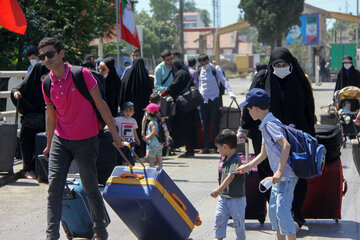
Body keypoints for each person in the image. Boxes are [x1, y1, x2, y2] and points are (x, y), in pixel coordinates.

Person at [38, 37, 121, 240]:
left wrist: (115, 134)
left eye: (50, 54)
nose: (46, 59)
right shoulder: (47, 82)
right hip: (61, 139)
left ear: (61, 53)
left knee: (91, 187)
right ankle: (51, 236)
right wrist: (49, 144)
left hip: (87, 139)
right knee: (54, 189)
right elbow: (51, 116)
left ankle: (100, 232)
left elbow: (101, 104)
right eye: (43, 56)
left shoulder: (81, 74)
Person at [239, 47, 314, 229]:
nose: (281, 67)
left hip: (294, 138)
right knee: (268, 173)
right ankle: (279, 214)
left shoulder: (299, 79)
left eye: (284, 64)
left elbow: (309, 107)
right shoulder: (262, 78)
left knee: (297, 174)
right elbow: (250, 104)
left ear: (290, 64)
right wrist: (243, 127)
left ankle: (295, 215)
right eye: (277, 65)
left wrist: (311, 133)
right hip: (266, 135)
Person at [237, 88, 297, 240]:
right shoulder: (265, 125)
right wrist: (247, 166)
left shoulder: (271, 125)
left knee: (282, 212)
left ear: (255, 109)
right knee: (275, 211)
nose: (247, 112)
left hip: (286, 176)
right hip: (278, 178)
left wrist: (279, 171)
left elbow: (286, 145)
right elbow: (263, 154)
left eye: (248, 109)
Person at [11, 62, 49, 179]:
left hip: (47, 119)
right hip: (30, 120)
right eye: (44, 74)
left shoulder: (51, 83)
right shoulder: (31, 83)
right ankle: (28, 168)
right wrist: (16, 94)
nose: (46, 76)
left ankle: (41, 169)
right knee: (27, 142)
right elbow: (17, 90)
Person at [197, 53, 236, 154]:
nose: (204, 65)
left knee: (214, 124)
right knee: (204, 125)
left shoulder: (215, 69)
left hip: (214, 100)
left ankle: (216, 146)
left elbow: (224, 81)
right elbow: (200, 84)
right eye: (202, 64)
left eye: (205, 63)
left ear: (208, 61)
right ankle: (206, 146)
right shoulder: (200, 70)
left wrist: (230, 92)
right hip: (203, 101)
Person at [210, 131, 246, 240]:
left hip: (237, 199)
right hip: (224, 198)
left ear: (225, 147)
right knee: (219, 219)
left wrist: (218, 190)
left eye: (218, 148)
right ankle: (219, 237)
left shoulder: (236, 160)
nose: (218, 150)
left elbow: (231, 177)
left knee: (238, 224)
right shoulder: (225, 158)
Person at [160, 59, 198, 158]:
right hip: (190, 106)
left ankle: (188, 150)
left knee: (184, 127)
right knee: (190, 128)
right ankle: (190, 149)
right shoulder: (186, 73)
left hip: (184, 107)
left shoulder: (181, 73)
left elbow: (174, 86)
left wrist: (164, 93)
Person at [119, 57, 153, 157]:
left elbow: (123, 91)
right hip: (142, 110)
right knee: (141, 128)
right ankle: (141, 151)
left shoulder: (127, 76)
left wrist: (122, 107)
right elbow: (149, 94)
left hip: (129, 111)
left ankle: (128, 151)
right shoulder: (145, 77)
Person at [115, 101, 140, 166]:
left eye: (130, 111)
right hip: (122, 143)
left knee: (130, 157)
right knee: (123, 158)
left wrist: (137, 139)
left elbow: (134, 131)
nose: (128, 113)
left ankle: (130, 171)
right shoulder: (119, 119)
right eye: (126, 111)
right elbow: (111, 121)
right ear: (123, 111)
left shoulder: (133, 121)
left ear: (133, 112)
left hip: (131, 142)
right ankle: (124, 170)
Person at [143, 103, 163, 168]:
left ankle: (152, 171)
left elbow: (154, 132)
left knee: (150, 159)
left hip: (153, 144)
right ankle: (160, 172)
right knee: (159, 158)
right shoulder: (158, 121)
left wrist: (147, 137)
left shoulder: (152, 122)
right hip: (159, 143)